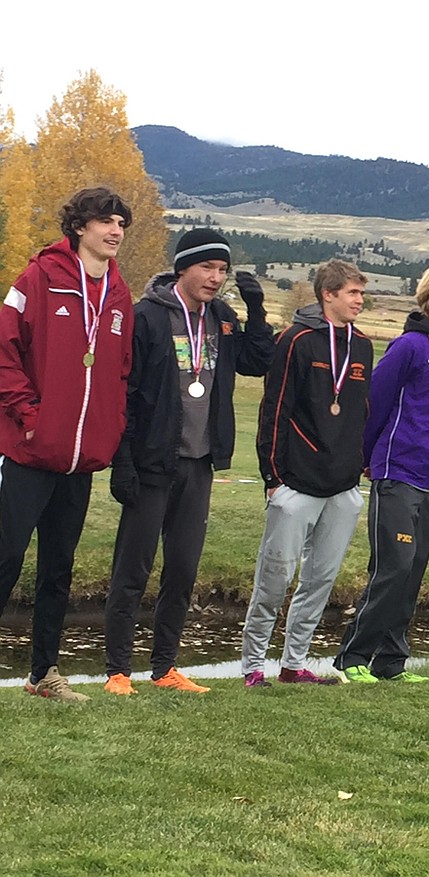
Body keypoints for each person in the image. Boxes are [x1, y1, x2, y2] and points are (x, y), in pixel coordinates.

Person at [103, 229, 275, 695]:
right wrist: (123, 462)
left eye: (222, 270)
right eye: (207, 268)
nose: (216, 278)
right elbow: (126, 393)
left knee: (182, 568)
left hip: (199, 464)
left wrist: (256, 310)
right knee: (132, 569)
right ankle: (118, 670)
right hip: (152, 461)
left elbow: (258, 362)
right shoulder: (148, 318)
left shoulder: (220, 318)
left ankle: (164, 669)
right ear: (183, 269)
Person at [0, 188, 134, 701]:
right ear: (79, 226)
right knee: (7, 557)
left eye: (121, 222)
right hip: (31, 452)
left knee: (59, 569)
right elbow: (4, 350)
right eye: (106, 220)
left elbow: (120, 373)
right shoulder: (39, 277)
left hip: (80, 460)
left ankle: (44, 676)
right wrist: (29, 416)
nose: (116, 230)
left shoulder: (119, 294)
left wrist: (109, 429)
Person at [333, 263, 429, 684]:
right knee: (393, 567)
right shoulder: (408, 347)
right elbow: (374, 404)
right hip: (397, 472)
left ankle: (391, 661)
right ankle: (351, 657)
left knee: (413, 571)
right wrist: (366, 459)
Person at [241, 260, 374, 687]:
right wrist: (272, 477)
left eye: (361, 293)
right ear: (328, 294)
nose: (360, 300)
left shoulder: (365, 346)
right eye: (353, 292)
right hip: (296, 481)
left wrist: (359, 466)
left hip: (343, 486)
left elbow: (361, 413)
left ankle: (294, 662)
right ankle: (252, 665)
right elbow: (274, 409)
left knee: (320, 580)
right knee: (275, 578)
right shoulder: (295, 340)